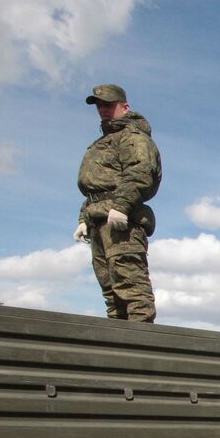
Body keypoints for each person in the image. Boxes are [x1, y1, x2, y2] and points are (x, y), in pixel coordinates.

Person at [75, 83, 161, 323]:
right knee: (112, 293)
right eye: (99, 105)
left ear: (124, 106)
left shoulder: (132, 138)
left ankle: (138, 351)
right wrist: (84, 218)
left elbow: (140, 173)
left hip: (121, 221)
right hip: (99, 219)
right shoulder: (102, 143)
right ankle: (116, 350)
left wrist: (121, 207)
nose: (103, 109)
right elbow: (96, 186)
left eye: (108, 105)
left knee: (132, 288)